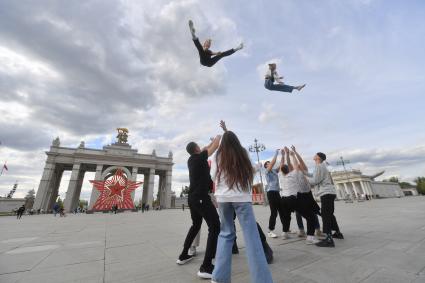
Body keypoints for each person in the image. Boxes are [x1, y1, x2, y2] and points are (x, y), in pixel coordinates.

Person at [211, 120, 273, 283]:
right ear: (237, 141)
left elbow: (213, 175)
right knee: (251, 236)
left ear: (223, 143)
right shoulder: (243, 152)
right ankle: (261, 279)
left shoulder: (218, 154)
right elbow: (251, 169)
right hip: (241, 198)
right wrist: (260, 165)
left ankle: (219, 278)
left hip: (223, 198)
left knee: (225, 234)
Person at [176, 135, 221, 279]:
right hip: (201, 197)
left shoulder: (192, 159)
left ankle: (183, 255)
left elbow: (206, 148)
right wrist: (218, 137)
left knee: (196, 225)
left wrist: (209, 144)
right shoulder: (199, 158)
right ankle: (206, 266)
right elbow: (213, 147)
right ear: (196, 149)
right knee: (215, 226)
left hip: (192, 198)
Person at [306, 152, 344, 247]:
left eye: (315, 155)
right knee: (329, 214)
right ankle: (337, 233)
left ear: (318, 157)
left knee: (325, 215)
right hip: (330, 192)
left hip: (326, 193)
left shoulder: (319, 166)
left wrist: (305, 178)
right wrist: (304, 172)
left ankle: (329, 239)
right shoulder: (321, 166)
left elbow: (315, 180)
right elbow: (313, 175)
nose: (314, 156)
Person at [264, 149, 285, 238]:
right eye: (268, 163)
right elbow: (273, 163)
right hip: (271, 193)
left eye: (270, 162)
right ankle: (270, 230)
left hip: (276, 193)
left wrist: (283, 155)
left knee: (282, 211)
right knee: (274, 212)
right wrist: (276, 153)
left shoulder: (274, 171)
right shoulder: (267, 171)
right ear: (266, 166)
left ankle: (286, 229)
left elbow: (281, 165)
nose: (270, 163)